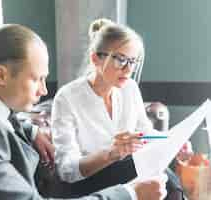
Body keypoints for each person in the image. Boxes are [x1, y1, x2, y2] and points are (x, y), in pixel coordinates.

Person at [0, 24, 166, 200]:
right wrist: (130, 194)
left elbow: (2, 119)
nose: (44, 90)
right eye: (37, 79)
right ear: (1, 75)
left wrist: (32, 129)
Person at [51, 18, 170, 197]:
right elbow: (67, 171)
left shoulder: (129, 88)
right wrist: (112, 153)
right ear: (95, 59)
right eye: (121, 60)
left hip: (123, 173)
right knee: (143, 171)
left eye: (133, 61)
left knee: (160, 175)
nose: (128, 69)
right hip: (86, 184)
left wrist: (173, 142)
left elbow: (145, 133)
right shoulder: (67, 97)